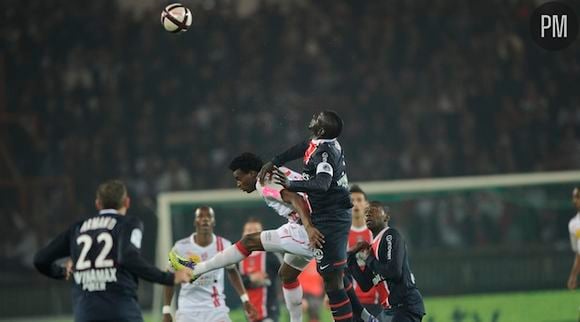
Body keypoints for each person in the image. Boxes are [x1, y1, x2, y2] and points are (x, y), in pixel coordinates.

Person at [180, 152, 317, 322]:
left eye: (239, 178)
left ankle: (198, 269)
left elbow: (296, 199)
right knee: (287, 275)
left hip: (308, 229)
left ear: (252, 173)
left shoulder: (263, 183)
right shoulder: (275, 170)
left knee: (249, 241)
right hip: (307, 223)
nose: (238, 184)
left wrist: (310, 228)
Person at [33, 180, 193, 322]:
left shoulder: (78, 228)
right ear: (127, 202)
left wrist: (61, 272)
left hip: (85, 314)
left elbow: (40, 260)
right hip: (121, 311)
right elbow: (128, 258)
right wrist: (169, 278)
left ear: (98, 204)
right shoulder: (128, 224)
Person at [260, 110, 364, 322]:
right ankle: (364, 316)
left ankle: (360, 317)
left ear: (322, 129)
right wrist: (275, 161)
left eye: (318, 118)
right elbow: (302, 147)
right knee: (333, 278)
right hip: (328, 214)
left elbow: (322, 184)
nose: (314, 117)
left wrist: (292, 184)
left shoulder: (325, 153)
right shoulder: (319, 141)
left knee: (333, 281)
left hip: (332, 219)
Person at [163, 206, 256, 322]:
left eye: (209, 216)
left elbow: (232, 271)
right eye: (200, 216)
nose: (205, 219)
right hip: (187, 311)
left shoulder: (224, 245)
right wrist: (166, 310)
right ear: (195, 222)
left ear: (213, 221)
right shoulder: (180, 247)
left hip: (215, 309)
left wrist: (245, 299)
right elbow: (169, 278)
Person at [348, 201, 425, 322]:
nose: (368, 215)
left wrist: (369, 259)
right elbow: (365, 284)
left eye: (373, 211)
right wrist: (350, 256)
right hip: (390, 310)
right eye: (366, 213)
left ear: (386, 216)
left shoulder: (390, 235)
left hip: (404, 306)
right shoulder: (372, 247)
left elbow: (394, 272)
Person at [349, 185, 385, 316]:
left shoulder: (376, 232)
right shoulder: (342, 233)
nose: (355, 204)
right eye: (352, 200)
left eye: (359, 200)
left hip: (376, 300)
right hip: (351, 300)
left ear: (367, 204)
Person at [239, 218, 282, 322]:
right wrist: (250, 279)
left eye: (256, 230)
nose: (252, 233)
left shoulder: (271, 255)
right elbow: (236, 282)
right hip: (250, 313)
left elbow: (286, 275)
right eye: (249, 230)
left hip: (270, 311)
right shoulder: (238, 258)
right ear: (243, 234)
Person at [567, 187, 580, 290]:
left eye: (578, 196)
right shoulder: (573, 224)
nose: (576, 199)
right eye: (575, 197)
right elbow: (578, 254)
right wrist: (573, 275)